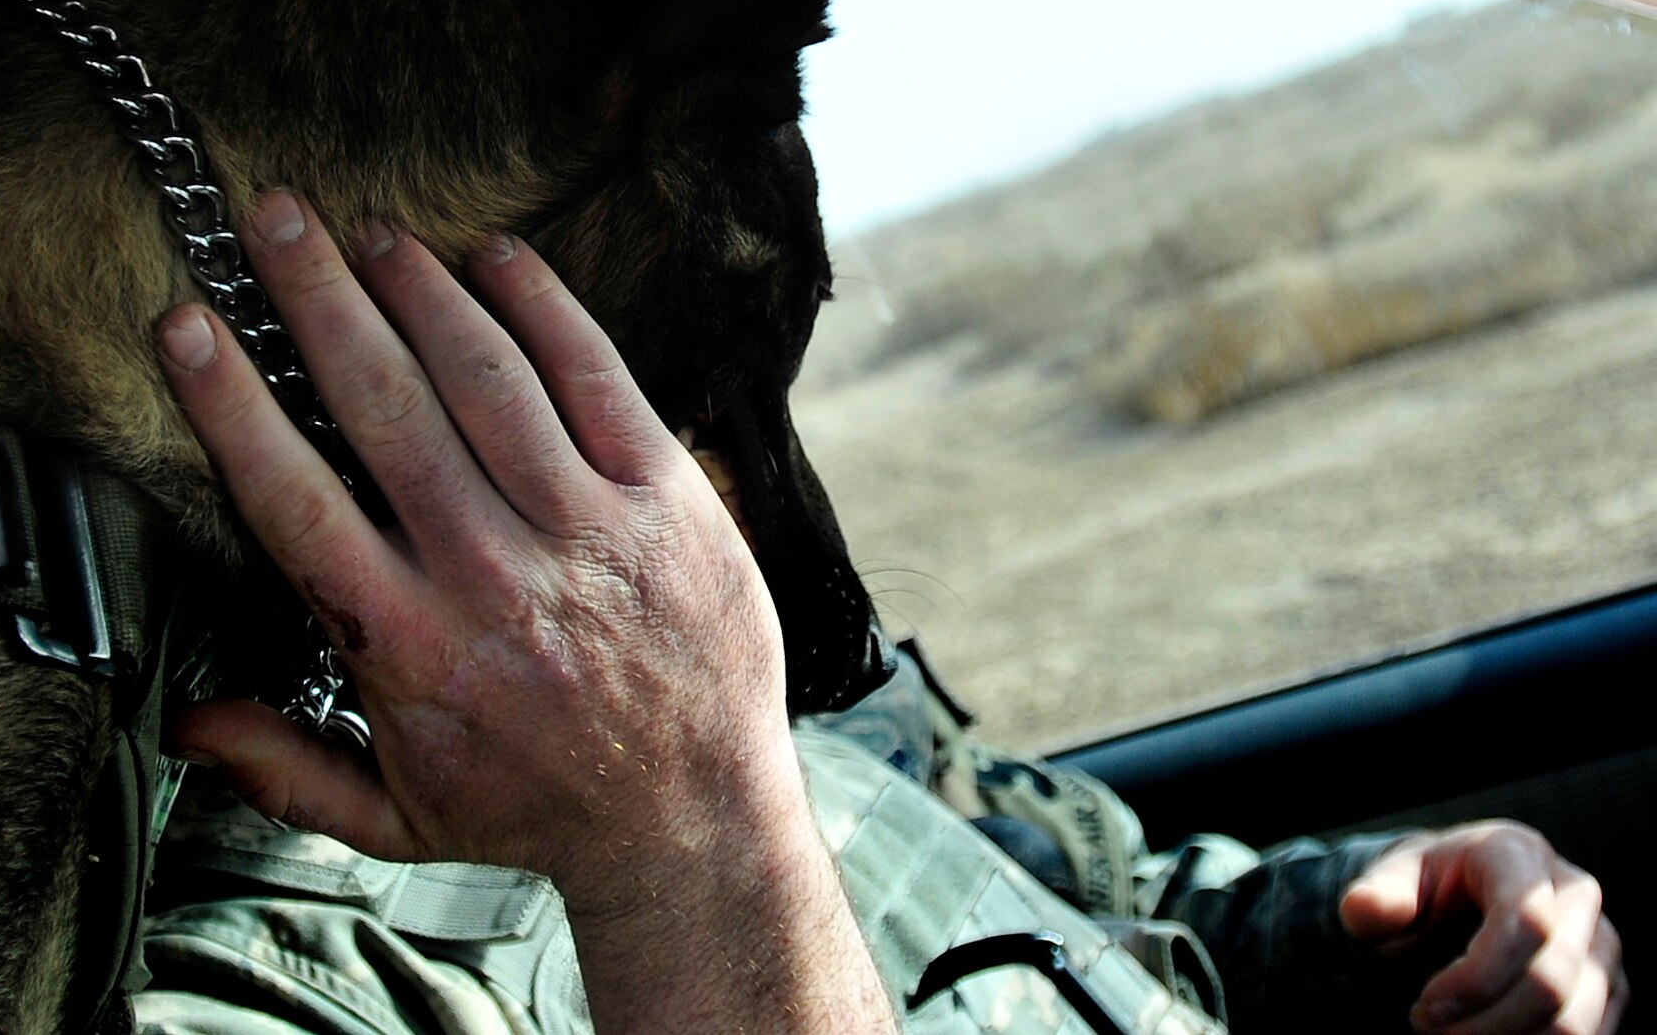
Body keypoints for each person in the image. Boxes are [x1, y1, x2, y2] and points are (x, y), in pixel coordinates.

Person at [136, 190, 1627, 1034]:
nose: (722, 502)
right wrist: (679, 848)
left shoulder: (755, 699)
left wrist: (1401, 912)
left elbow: (1108, 918)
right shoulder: (259, 984)